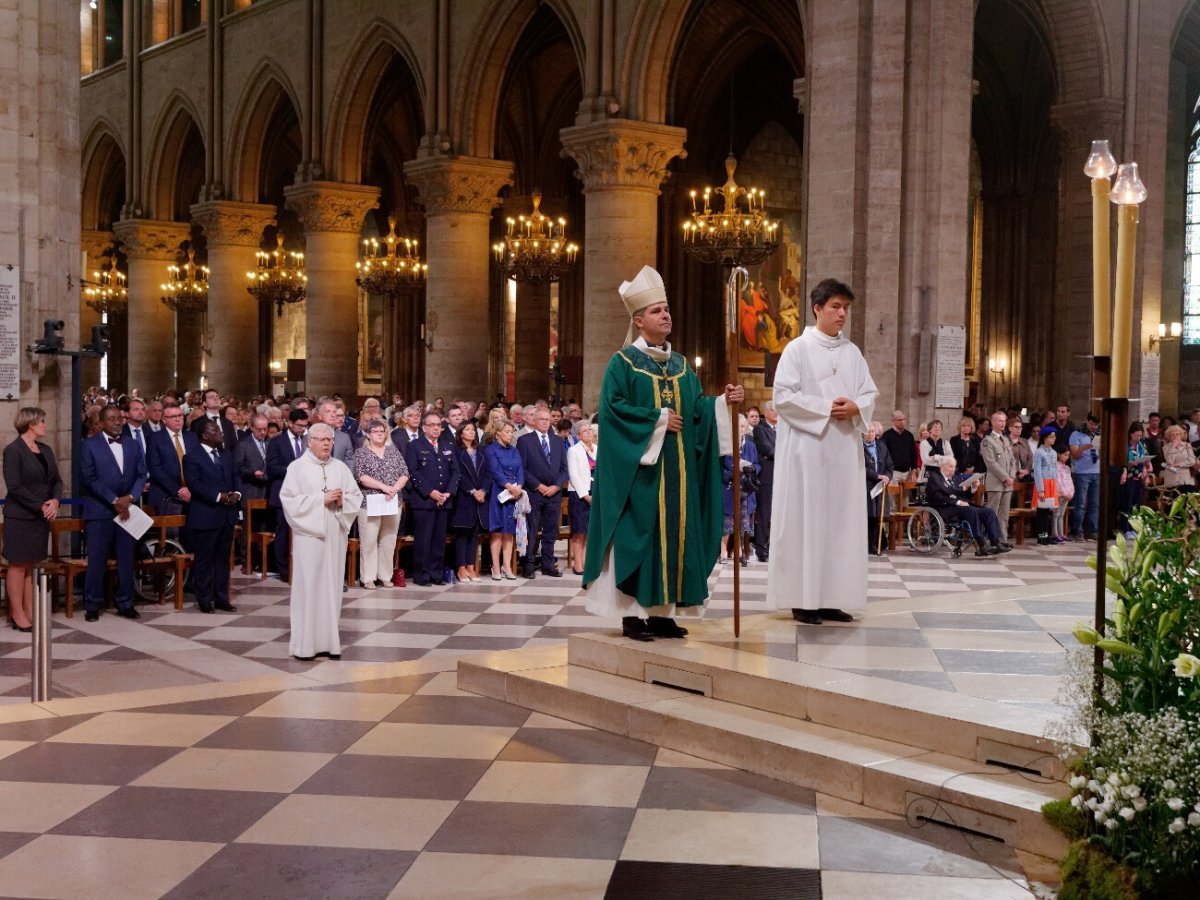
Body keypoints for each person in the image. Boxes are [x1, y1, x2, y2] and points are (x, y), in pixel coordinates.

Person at [583, 264, 742, 642]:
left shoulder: (682, 366)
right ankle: (633, 615)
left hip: (680, 476)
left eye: (667, 308)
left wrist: (723, 403)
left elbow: (698, 411)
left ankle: (663, 614)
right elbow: (613, 411)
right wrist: (656, 420)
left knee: (675, 539)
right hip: (640, 477)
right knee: (641, 540)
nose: (666, 314)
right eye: (656, 310)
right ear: (639, 321)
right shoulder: (622, 365)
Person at [766, 278, 877, 625]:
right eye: (836, 306)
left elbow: (869, 393)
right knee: (808, 520)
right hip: (808, 452)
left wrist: (857, 407)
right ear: (817, 308)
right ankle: (804, 599)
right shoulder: (797, 349)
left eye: (846, 307)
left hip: (844, 452)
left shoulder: (852, 352)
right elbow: (782, 397)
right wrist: (828, 408)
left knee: (840, 523)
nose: (843, 313)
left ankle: (832, 597)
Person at [280, 423, 362, 661]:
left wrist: (342, 500)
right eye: (322, 439)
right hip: (309, 537)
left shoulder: (340, 468)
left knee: (331, 587)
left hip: (335, 536)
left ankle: (329, 643)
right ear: (310, 441)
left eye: (330, 440)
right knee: (309, 587)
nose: (327, 443)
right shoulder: (297, 468)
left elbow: (355, 496)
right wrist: (320, 499)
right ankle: (305, 645)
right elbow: (288, 501)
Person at [80, 404, 148, 622]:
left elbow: (141, 474)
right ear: (101, 423)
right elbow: (89, 478)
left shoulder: (132, 444)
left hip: (127, 509)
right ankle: (92, 604)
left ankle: (126, 602)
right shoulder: (89, 445)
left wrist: (131, 497)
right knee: (97, 560)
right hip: (100, 510)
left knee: (127, 559)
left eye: (119, 418)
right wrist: (113, 499)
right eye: (112, 419)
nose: (117, 422)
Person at [2, 408, 62, 631]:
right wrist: (40, 505)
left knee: (31, 565)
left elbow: (56, 480)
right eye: (42, 421)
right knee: (18, 565)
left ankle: (29, 611)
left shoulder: (45, 450)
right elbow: (15, 486)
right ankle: (18, 614)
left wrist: (55, 501)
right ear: (30, 424)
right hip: (20, 516)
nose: (45, 425)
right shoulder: (13, 451)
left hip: (40, 516)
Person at [182, 419, 242, 613]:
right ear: (205, 435)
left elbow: (235, 476)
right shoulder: (192, 457)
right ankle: (204, 599)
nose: (220, 432)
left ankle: (222, 598)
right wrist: (219, 497)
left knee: (223, 560)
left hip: (226, 515)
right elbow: (195, 484)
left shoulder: (225, 454)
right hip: (206, 515)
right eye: (215, 430)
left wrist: (237, 494)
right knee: (205, 560)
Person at [352, 418, 409, 589]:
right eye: (375, 431)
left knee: (388, 540)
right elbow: (361, 476)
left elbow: (404, 473)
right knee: (369, 540)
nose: (379, 434)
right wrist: (384, 487)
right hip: (370, 501)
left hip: (393, 500)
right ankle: (368, 577)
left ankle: (385, 576)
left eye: (382, 431)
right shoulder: (361, 453)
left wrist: (394, 488)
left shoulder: (393, 451)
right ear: (368, 435)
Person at [404, 411, 459, 586]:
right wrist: (430, 492)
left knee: (439, 540)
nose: (436, 428)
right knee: (424, 539)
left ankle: (437, 573)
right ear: (424, 428)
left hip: (444, 500)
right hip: (424, 501)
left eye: (438, 425)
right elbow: (413, 472)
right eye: (432, 425)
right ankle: (422, 575)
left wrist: (449, 492)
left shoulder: (447, 445)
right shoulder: (415, 445)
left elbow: (455, 472)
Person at [517, 407, 568, 578]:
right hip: (535, 493)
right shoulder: (525, 440)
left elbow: (564, 468)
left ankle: (547, 565)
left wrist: (556, 486)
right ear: (534, 420)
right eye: (541, 419)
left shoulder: (558, 441)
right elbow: (522, 469)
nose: (545, 422)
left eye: (548, 419)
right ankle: (529, 566)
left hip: (554, 493)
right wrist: (538, 485)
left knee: (550, 531)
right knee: (532, 530)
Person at [926, 457, 1009, 556]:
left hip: (962, 507)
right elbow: (937, 497)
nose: (953, 469)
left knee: (989, 512)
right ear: (942, 467)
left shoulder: (955, 477)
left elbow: (963, 495)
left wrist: (973, 487)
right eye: (950, 467)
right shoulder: (934, 477)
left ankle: (996, 542)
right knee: (970, 510)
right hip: (944, 507)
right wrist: (957, 502)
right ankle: (981, 545)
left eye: (954, 467)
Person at [265, 408, 309, 579]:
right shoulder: (277, 441)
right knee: (283, 532)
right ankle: (284, 570)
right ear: (290, 423)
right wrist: (294, 470)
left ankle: (300, 568)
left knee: (301, 533)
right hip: (282, 492)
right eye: (299, 426)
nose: (302, 429)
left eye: (305, 426)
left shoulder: (307, 440)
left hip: (303, 495)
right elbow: (272, 467)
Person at [450, 420, 490, 582]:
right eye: (467, 429)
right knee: (463, 533)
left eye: (473, 429)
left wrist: (483, 490)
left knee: (474, 534)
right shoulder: (456, 451)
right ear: (461, 433)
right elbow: (458, 474)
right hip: (464, 497)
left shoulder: (481, 451)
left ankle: (471, 567)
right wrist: (473, 491)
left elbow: (488, 473)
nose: (471, 432)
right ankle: (460, 568)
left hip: (480, 497)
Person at [484, 419, 524, 580]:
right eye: (507, 431)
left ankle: (506, 565)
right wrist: (509, 486)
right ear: (498, 432)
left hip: (514, 493)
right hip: (498, 492)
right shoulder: (490, 450)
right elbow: (495, 471)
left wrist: (519, 486)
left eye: (511, 431)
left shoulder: (514, 450)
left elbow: (521, 468)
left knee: (510, 531)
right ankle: (495, 566)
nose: (510, 435)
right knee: (498, 530)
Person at [721, 414, 760, 565]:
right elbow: (720, 468)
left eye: (743, 426)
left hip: (745, 488)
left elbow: (757, 464)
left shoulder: (750, 445)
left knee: (743, 522)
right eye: (737, 426)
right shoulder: (726, 445)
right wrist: (731, 473)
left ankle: (740, 551)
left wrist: (752, 468)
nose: (740, 429)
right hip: (729, 487)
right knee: (727, 521)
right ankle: (724, 549)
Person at [566, 420, 597, 576]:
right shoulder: (574, 450)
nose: (588, 433)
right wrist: (585, 496)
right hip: (579, 494)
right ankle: (577, 565)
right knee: (579, 531)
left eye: (590, 430)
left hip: (595, 492)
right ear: (578, 435)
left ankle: (586, 563)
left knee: (589, 532)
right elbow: (574, 475)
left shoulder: (597, 449)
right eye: (584, 431)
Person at [981, 409, 1016, 544]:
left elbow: (1012, 460)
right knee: (992, 513)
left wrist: (1011, 476)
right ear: (993, 422)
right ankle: (990, 539)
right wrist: (1005, 477)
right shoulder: (987, 441)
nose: (1002, 423)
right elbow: (991, 463)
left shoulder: (1006, 440)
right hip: (996, 482)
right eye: (1000, 421)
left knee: (1004, 514)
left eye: (1004, 421)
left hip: (1008, 483)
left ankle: (1002, 539)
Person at [751, 401, 777, 562]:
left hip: (780, 475)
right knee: (765, 514)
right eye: (774, 410)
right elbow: (767, 450)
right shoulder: (760, 429)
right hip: (767, 477)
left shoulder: (783, 428)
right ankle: (761, 548)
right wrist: (778, 452)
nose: (777, 413)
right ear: (766, 413)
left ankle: (774, 546)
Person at [1069, 413, 1101, 540]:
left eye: (1096, 425)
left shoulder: (1099, 434)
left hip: (1097, 472)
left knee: (1094, 504)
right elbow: (1075, 455)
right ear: (1087, 421)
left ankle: (1093, 531)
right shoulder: (1076, 434)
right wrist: (1083, 448)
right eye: (1092, 424)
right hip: (1082, 473)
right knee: (1080, 503)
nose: (1094, 427)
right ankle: (1078, 531)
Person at [863, 421, 892, 555]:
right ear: (862, 433)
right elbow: (861, 468)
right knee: (868, 515)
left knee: (876, 516)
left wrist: (887, 477)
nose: (870, 434)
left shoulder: (882, 447)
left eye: (872, 431)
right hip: (866, 486)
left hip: (880, 487)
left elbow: (889, 465)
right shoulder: (859, 447)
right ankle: (867, 544)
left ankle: (874, 545)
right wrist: (877, 476)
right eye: (867, 431)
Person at [1033, 425, 1060, 545]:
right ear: (1044, 438)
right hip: (1043, 483)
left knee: (1048, 510)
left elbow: (1055, 469)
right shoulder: (1039, 452)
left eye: (1054, 437)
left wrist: (1057, 486)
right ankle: (1041, 535)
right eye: (1050, 437)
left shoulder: (1054, 452)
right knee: (1041, 512)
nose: (1053, 439)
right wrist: (1040, 489)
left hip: (1052, 483)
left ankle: (1047, 534)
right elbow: (1038, 471)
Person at [880, 411, 916, 483]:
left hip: (907, 472)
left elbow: (913, 454)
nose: (902, 422)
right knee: (892, 494)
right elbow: (883, 454)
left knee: (907, 494)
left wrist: (913, 470)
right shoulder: (886, 435)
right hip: (893, 472)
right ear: (893, 421)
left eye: (904, 419)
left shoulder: (909, 435)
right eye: (899, 420)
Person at [1161, 423, 1198, 491]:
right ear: (1169, 437)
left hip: (1186, 479)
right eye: (1172, 435)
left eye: (1177, 434)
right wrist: (1173, 447)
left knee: (1188, 499)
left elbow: (1192, 461)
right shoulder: (1165, 448)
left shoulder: (1187, 445)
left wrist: (1178, 464)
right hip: (1173, 479)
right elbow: (1170, 462)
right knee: (1175, 500)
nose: (1175, 436)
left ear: (1181, 435)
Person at [1053, 447, 1076, 543]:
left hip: (1067, 495)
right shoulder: (1055, 467)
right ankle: (1055, 534)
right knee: (1056, 514)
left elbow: (1070, 481)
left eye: (1068, 455)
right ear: (1059, 454)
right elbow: (1058, 482)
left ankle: (1061, 533)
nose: (1067, 457)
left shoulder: (1067, 468)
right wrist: (1065, 493)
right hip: (1059, 494)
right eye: (1065, 455)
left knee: (1061, 514)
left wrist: (1071, 493)